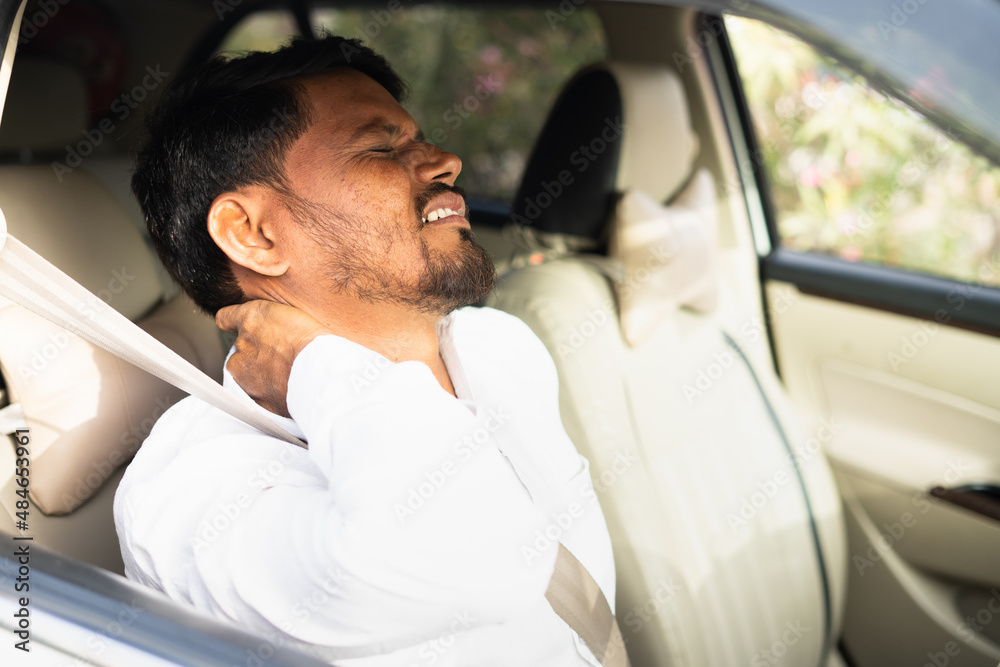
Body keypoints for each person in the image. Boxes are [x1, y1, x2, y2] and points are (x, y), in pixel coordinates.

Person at [114, 34, 616, 666]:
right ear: (253, 233)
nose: (446, 161)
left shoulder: (498, 349)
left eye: (419, 139)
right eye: (381, 148)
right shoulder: (193, 492)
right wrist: (317, 365)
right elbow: (476, 561)